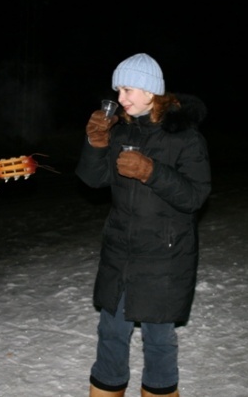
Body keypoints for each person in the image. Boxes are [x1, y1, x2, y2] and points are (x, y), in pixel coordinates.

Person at [76, 53, 211, 397]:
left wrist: (152, 172)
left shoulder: (185, 138)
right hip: (121, 251)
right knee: (111, 331)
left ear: (151, 92)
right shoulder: (121, 131)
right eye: (118, 90)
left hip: (165, 256)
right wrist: (96, 143)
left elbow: (195, 196)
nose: (120, 98)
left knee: (159, 339)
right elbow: (93, 180)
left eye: (128, 89)